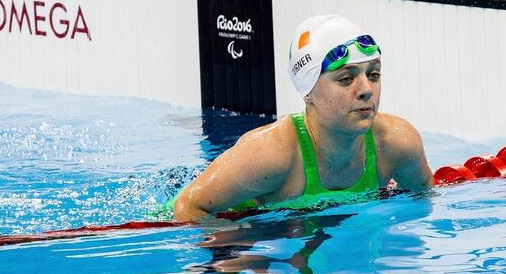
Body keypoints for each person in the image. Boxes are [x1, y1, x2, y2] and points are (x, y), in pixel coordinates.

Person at [173, 14, 433, 222]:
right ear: (307, 91)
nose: (366, 90)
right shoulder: (268, 154)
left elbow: (422, 203)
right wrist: (237, 261)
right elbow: (188, 206)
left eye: (373, 74)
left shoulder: (398, 143)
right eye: (346, 79)